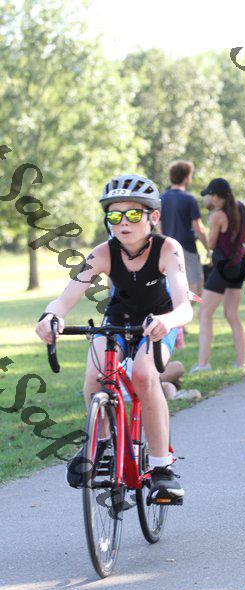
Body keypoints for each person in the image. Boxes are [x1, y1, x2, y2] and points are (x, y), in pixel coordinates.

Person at [35, 174, 193, 503]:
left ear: (153, 216)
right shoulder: (103, 253)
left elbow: (184, 308)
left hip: (157, 322)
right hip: (118, 321)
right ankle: (103, 444)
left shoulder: (168, 249)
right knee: (95, 377)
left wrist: (167, 321)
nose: (123, 222)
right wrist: (50, 317)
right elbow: (64, 300)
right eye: (114, 215)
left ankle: (162, 468)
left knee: (145, 375)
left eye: (133, 214)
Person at [190, 178, 245, 372]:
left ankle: (203, 364)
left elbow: (211, 244)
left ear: (215, 197)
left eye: (209, 195)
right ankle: (241, 362)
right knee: (232, 314)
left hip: (223, 267)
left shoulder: (218, 215)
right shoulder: (242, 208)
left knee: (204, 313)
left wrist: (210, 224)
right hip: (240, 264)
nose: (207, 199)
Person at [160, 161, 209, 299]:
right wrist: (208, 249)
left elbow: (159, 228)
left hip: (167, 249)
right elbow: (198, 227)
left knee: (174, 285)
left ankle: (178, 309)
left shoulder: (161, 198)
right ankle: (181, 310)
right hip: (187, 248)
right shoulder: (189, 199)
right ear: (187, 177)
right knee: (196, 287)